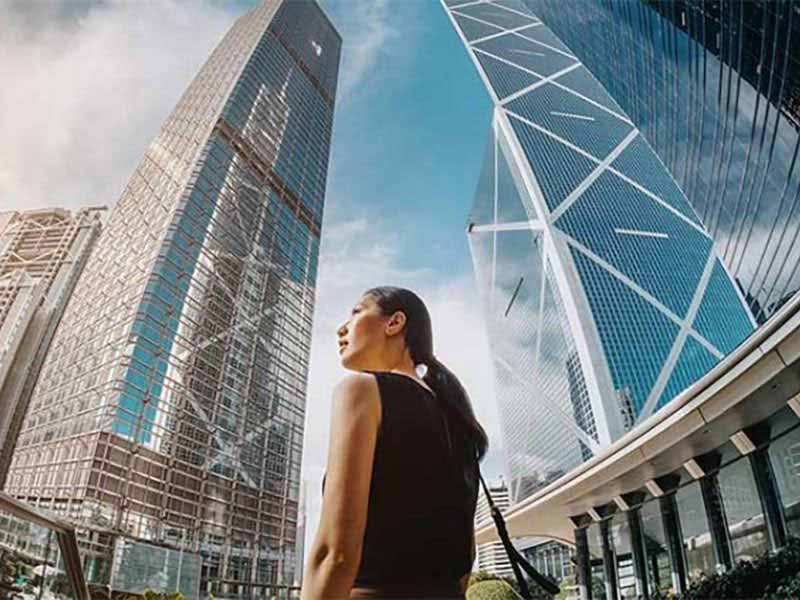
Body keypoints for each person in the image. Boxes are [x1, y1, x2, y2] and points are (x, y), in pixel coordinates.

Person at [301, 286, 489, 600]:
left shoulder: (361, 390)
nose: (341, 328)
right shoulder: (460, 422)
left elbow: (335, 555)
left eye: (357, 311)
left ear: (394, 323)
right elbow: (464, 560)